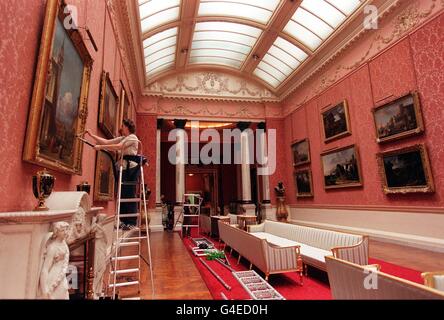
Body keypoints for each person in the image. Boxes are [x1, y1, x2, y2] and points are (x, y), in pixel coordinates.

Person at [85, 119, 141, 229]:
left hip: (130, 169)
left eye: (123, 126)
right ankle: (124, 221)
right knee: (122, 193)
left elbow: (119, 146)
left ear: (127, 127)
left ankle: (132, 222)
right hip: (123, 168)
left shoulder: (132, 137)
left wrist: (100, 147)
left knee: (129, 193)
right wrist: (92, 135)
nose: (121, 127)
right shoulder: (124, 138)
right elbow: (106, 142)